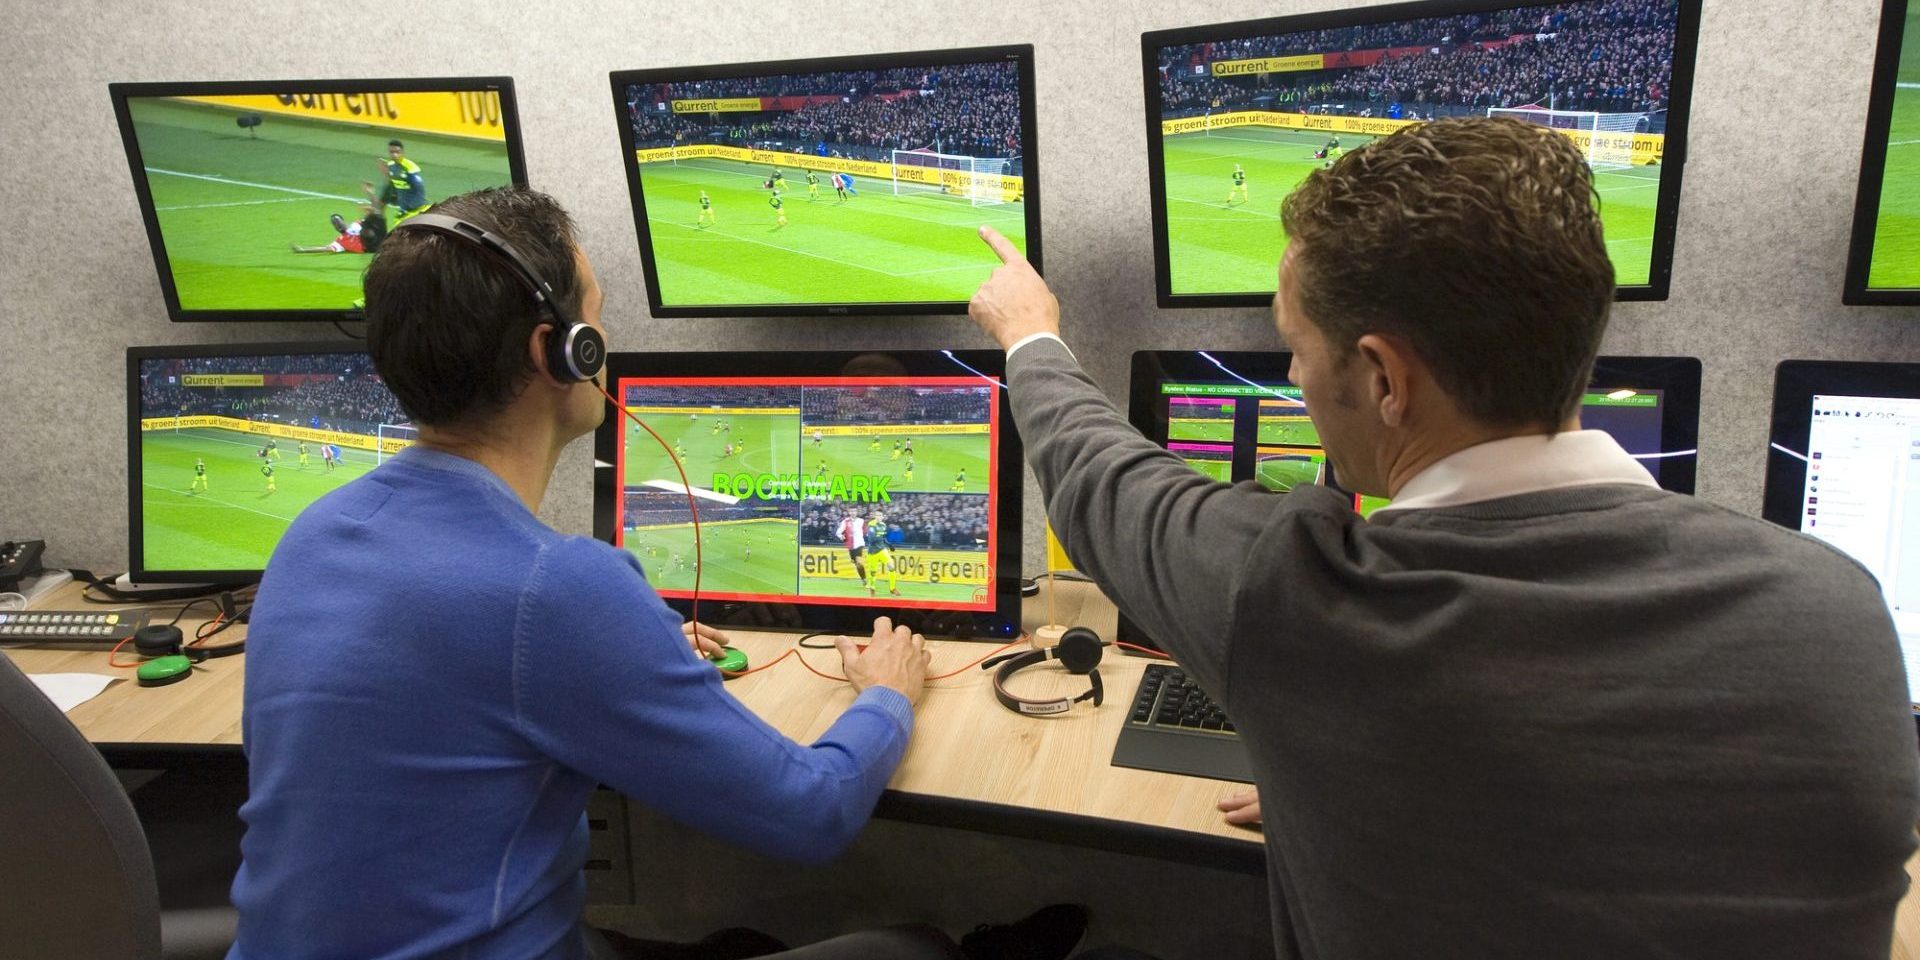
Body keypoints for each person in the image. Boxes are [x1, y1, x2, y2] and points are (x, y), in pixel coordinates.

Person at [965, 118, 1920, 959]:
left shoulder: (1295, 601)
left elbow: (1097, 480)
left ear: (1385, 380)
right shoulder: (1839, 606)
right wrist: (1346, 792)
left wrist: (1030, 334)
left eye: (1296, 350)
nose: (1295, 378)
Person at [229, 186, 1034, 960]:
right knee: (913, 948)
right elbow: (811, 813)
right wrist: (891, 693)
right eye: (598, 315)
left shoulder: (312, 534)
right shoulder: (558, 592)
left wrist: (623, 649)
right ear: (561, 351)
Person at [366, 139, 430, 221]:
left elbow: (419, 190)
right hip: (404, 211)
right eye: (392, 152)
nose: (394, 155)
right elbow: (393, 188)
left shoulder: (410, 167)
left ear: (402, 152)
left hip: (417, 210)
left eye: (397, 152)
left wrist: (410, 209)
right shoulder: (391, 166)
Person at [291, 202, 388, 254]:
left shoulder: (355, 224)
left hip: (376, 238)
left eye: (338, 221)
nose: (337, 224)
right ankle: (373, 210)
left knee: (370, 222)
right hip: (369, 247)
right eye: (335, 224)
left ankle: (374, 210)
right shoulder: (340, 241)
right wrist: (303, 250)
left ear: (343, 221)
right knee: (366, 228)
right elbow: (325, 249)